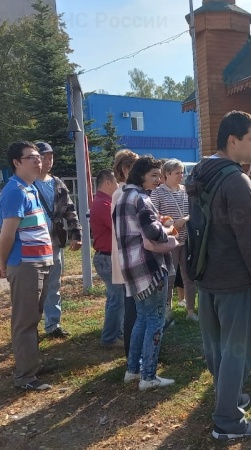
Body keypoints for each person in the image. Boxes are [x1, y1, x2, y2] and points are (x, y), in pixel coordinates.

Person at [187, 110, 251, 440]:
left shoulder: (200, 173)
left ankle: (230, 396)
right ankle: (227, 421)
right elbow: (249, 236)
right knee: (240, 350)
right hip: (234, 279)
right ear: (232, 140)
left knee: (216, 349)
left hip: (205, 275)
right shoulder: (237, 181)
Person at [0, 141, 54, 391]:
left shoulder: (29, 188)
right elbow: (7, 235)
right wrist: (2, 262)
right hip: (26, 265)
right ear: (17, 163)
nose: (38, 161)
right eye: (31, 157)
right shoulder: (15, 191)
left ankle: (32, 366)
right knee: (24, 321)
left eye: (39, 156)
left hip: (39, 262)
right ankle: (25, 377)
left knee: (32, 318)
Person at [115, 156, 175, 391]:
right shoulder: (141, 198)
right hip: (149, 268)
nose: (158, 181)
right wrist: (169, 228)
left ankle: (133, 370)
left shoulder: (123, 197)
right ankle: (148, 375)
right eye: (154, 176)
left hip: (131, 268)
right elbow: (153, 233)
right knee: (155, 321)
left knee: (141, 318)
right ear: (140, 175)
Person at [35, 142, 82, 339]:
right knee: (34, 288)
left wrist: (76, 234)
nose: (48, 161)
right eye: (44, 157)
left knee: (53, 285)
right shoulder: (26, 184)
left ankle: (53, 325)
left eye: (51, 157)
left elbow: (70, 210)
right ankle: (31, 328)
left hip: (53, 241)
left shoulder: (57, 183)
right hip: (33, 246)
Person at [152, 159, 197, 321]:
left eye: (182, 172)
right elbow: (154, 216)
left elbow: (194, 210)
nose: (181, 175)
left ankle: (191, 311)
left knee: (189, 277)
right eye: (178, 172)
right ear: (167, 174)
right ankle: (166, 313)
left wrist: (185, 219)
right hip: (169, 242)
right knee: (169, 278)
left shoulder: (185, 191)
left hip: (187, 241)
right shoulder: (158, 193)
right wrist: (171, 223)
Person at [109, 150, 139, 357]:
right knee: (133, 309)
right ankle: (132, 352)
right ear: (126, 169)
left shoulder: (123, 192)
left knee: (134, 307)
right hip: (128, 256)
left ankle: (134, 350)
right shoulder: (122, 194)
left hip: (126, 255)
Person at [90, 169, 124, 348]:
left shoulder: (105, 202)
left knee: (115, 298)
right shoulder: (103, 204)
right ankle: (110, 337)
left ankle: (115, 333)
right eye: (116, 182)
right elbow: (118, 226)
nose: (118, 186)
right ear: (108, 183)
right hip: (107, 258)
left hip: (109, 257)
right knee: (117, 299)